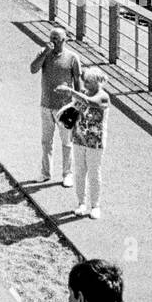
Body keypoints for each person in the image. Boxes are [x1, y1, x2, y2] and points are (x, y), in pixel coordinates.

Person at [57, 65, 110, 218]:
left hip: (95, 142)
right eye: (84, 81)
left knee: (94, 173)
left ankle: (95, 206)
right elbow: (75, 109)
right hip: (79, 138)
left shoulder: (103, 96)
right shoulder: (83, 93)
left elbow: (90, 102)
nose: (85, 84)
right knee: (80, 172)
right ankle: (81, 203)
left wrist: (71, 91)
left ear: (97, 82)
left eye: (88, 81)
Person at [30, 27, 81, 185]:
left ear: (64, 40)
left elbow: (77, 81)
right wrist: (45, 53)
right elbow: (33, 69)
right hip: (46, 105)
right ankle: (45, 173)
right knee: (46, 142)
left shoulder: (72, 58)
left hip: (65, 107)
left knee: (67, 143)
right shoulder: (43, 53)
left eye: (56, 38)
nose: (52, 41)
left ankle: (67, 174)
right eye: (51, 37)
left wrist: (78, 104)